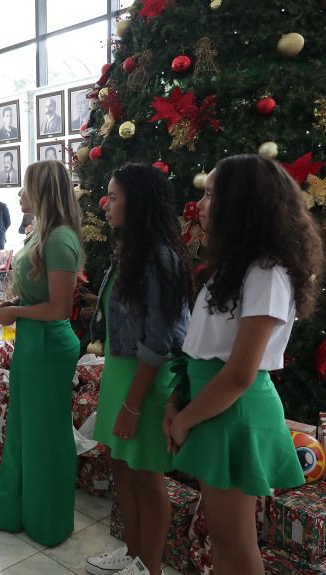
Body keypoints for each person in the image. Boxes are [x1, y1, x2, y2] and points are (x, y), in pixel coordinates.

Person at [164, 155, 323, 575]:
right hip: (213, 408)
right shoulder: (235, 269)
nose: (200, 204)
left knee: (235, 543)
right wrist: (177, 404)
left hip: (233, 412)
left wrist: (184, 423)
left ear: (242, 203)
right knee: (222, 538)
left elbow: (239, 373)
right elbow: (202, 349)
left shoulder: (267, 273)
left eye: (212, 194)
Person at [84, 164, 193, 575]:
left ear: (138, 202)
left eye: (113, 197)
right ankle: (131, 552)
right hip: (119, 374)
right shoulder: (129, 250)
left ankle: (150, 567)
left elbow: (159, 343)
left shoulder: (160, 258)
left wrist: (132, 406)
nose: (105, 204)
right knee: (119, 464)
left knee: (148, 476)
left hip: (144, 382)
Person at [0, 160, 83, 546]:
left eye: (24, 188)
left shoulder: (58, 239)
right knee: (26, 431)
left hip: (47, 344)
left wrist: (15, 311)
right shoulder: (45, 234)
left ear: (41, 192)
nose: (19, 195)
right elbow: (44, 295)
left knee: (45, 436)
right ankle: (17, 512)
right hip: (35, 341)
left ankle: (47, 521)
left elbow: (58, 308)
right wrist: (19, 304)